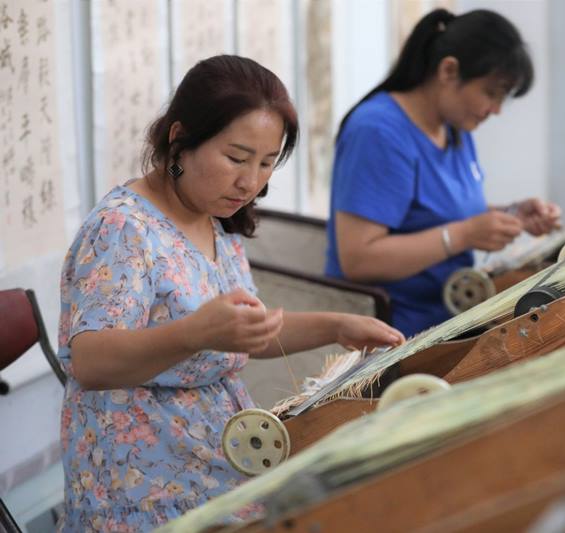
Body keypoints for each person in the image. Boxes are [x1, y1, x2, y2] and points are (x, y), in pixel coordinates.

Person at [56, 55, 404, 532]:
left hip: (219, 460)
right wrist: (195, 333)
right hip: (144, 486)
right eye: (236, 158)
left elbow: (245, 331)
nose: (250, 181)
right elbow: (91, 361)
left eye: (266, 163)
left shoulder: (212, 218)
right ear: (180, 139)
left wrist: (337, 326)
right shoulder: (123, 228)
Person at [325, 8, 562, 338]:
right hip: (393, 333)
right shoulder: (378, 132)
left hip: (449, 319)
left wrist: (512, 214)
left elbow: (432, 214)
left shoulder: (454, 129)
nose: (495, 110)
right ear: (448, 70)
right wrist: (463, 235)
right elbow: (358, 259)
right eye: (491, 93)